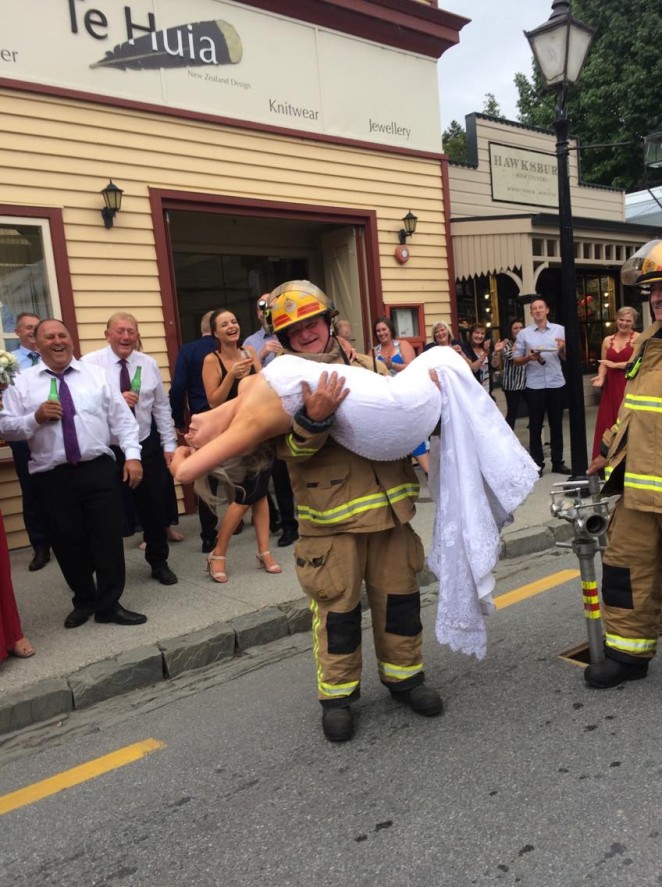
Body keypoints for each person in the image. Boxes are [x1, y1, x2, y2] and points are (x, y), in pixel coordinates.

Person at [177, 282, 444, 743]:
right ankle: (337, 698)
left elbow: (405, 421)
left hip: (391, 515)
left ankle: (406, 679)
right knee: (337, 614)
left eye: (312, 322)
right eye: (293, 329)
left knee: (400, 603)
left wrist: (432, 400)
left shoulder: (370, 366)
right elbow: (290, 452)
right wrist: (313, 420)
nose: (305, 333)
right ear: (282, 337)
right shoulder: (284, 382)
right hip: (331, 522)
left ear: (329, 321)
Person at [0, 319, 146, 628]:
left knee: (108, 539)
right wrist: (34, 418)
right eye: (49, 337)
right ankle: (84, 600)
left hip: (97, 467)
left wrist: (133, 456)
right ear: (36, 344)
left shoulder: (96, 375)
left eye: (62, 335)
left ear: (71, 339)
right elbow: (6, 427)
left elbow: (122, 420)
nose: (58, 341)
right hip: (52, 475)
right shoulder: (21, 382)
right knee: (67, 541)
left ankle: (109, 605)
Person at [584, 241, 662, 689]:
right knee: (625, 568)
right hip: (637, 488)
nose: (657, 298)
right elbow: (633, 413)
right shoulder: (647, 346)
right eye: (653, 290)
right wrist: (607, 450)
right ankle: (628, 656)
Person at [82, 312, 178, 586]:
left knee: (153, 507)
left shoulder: (148, 364)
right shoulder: (90, 365)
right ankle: (102, 571)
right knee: (104, 512)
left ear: (137, 335)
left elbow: (161, 407)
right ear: (107, 335)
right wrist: (114, 402)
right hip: (108, 448)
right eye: (120, 331)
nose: (126, 337)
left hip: (144, 442)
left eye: (131, 331)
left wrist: (169, 443)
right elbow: (82, 409)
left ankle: (158, 562)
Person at [201, 309, 281, 583]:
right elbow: (213, 401)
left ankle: (264, 552)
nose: (231, 326)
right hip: (234, 434)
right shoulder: (211, 360)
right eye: (224, 324)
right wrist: (230, 376)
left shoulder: (249, 351)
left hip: (260, 430)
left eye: (234, 321)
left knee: (260, 494)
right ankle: (218, 552)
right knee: (245, 496)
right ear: (215, 332)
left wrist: (255, 373)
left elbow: (264, 387)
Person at [242, 295, 298, 548]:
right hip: (266, 411)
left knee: (291, 469)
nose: (266, 311)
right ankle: (279, 520)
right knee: (269, 470)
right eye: (261, 307)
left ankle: (293, 523)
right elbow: (247, 380)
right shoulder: (251, 343)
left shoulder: (291, 332)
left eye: (270, 306)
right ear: (257, 313)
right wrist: (262, 355)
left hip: (292, 410)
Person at [169, 310, 220, 553]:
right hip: (231, 418)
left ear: (202, 328)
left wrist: (179, 420)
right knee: (239, 470)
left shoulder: (188, 351)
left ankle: (209, 535)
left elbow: (178, 388)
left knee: (206, 479)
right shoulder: (230, 347)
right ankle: (247, 520)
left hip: (203, 420)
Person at [7, 313, 51, 572]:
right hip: (24, 435)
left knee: (58, 486)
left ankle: (64, 538)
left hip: (52, 432)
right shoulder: (9, 363)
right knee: (31, 491)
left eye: (37, 327)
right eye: (28, 328)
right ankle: (40, 546)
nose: (33, 332)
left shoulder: (51, 356)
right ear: (18, 332)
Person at [512, 297, 570, 476]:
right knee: (535, 426)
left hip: (555, 382)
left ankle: (558, 462)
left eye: (540, 307)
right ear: (531, 313)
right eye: (534, 308)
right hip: (534, 384)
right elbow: (516, 360)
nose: (537, 310)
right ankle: (537, 464)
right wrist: (528, 358)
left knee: (556, 424)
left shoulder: (560, 330)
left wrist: (562, 349)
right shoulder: (524, 334)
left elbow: (567, 358)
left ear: (547, 310)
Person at [374, 315, 429, 474]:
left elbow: (413, 369)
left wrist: (392, 365)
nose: (381, 333)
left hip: (406, 396)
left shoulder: (402, 345)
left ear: (390, 330)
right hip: (387, 400)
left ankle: (429, 472)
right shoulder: (374, 351)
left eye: (384, 329)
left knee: (412, 432)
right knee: (395, 434)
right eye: (378, 331)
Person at [590, 306, 639, 459]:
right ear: (616, 320)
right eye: (621, 319)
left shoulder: (638, 338)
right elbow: (603, 363)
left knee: (628, 423)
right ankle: (604, 461)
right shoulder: (607, 340)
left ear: (633, 322)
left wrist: (615, 365)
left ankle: (628, 460)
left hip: (629, 385)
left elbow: (638, 363)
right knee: (607, 423)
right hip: (610, 388)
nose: (624, 323)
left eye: (628, 321)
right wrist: (601, 377)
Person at [492, 320, 526, 429]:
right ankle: (508, 435)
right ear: (510, 331)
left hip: (525, 382)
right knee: (512, 412)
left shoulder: (526, 341)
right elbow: (511, 356)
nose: (519, 330)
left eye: (521, 327)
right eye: (515, 328)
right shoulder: (506, 343)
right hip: (511, 384)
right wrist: (517, 343)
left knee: (534, 407)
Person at [461, 322, 492, 393]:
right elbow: (474, 369)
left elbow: (493, 366)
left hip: (487, 389)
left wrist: (496, 352)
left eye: (482, 333)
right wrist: (485, 353)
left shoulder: (485, 347)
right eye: (477, 333)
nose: (479, 336)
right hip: (473, 390)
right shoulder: (465, 349)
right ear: (471, 334)